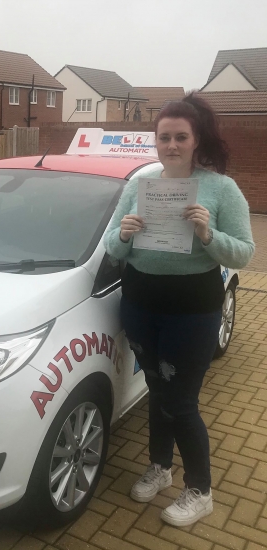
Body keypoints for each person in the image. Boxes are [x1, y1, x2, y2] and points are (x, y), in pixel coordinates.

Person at [103, 92, 255, 527]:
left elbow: (244, 253)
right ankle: (160, 466)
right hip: (140, 304)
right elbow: (113, 244)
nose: (171, 144)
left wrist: (208, 234)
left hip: (192, 311)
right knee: (156, 387)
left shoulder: (220, 188)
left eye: (180, 137)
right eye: (164, 137)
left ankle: (200, 489)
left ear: (196, 139)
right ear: (156, 141)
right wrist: (126, 235)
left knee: (182, 402)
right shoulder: (140, 185)